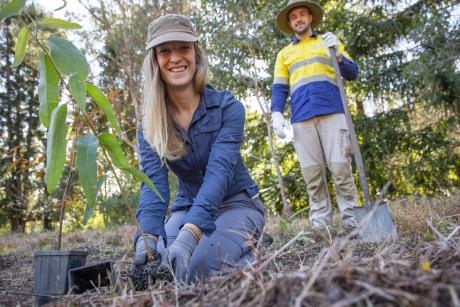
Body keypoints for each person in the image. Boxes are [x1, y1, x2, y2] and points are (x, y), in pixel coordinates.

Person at [132, 14, 265, 284]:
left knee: (197, 268)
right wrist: (146, 238)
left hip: (235, 203)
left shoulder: (229, 108)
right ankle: (227, 244)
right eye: (165, 51)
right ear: (155, 61)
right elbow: (153, 187)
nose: (176, 57)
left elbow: (219, 172)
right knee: (161, 266)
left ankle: (248, 245)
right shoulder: (149, 125)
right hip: (185, 207)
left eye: (184, 48)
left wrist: (191, 234)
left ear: (196, 53)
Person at [271, 0, 359, 233]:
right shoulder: (284, 54)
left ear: (310, 18)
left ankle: (351, 218)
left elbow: (352, 73)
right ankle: (321, 224)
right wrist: (276, 112)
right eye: (294, 17)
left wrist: (338, 55)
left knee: (341, 168)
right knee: (312, 174)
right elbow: (280, 87)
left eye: (302, 14)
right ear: (290, 24)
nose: (298, 19)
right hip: (302, 118)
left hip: (333, 112)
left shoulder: (328, 41)